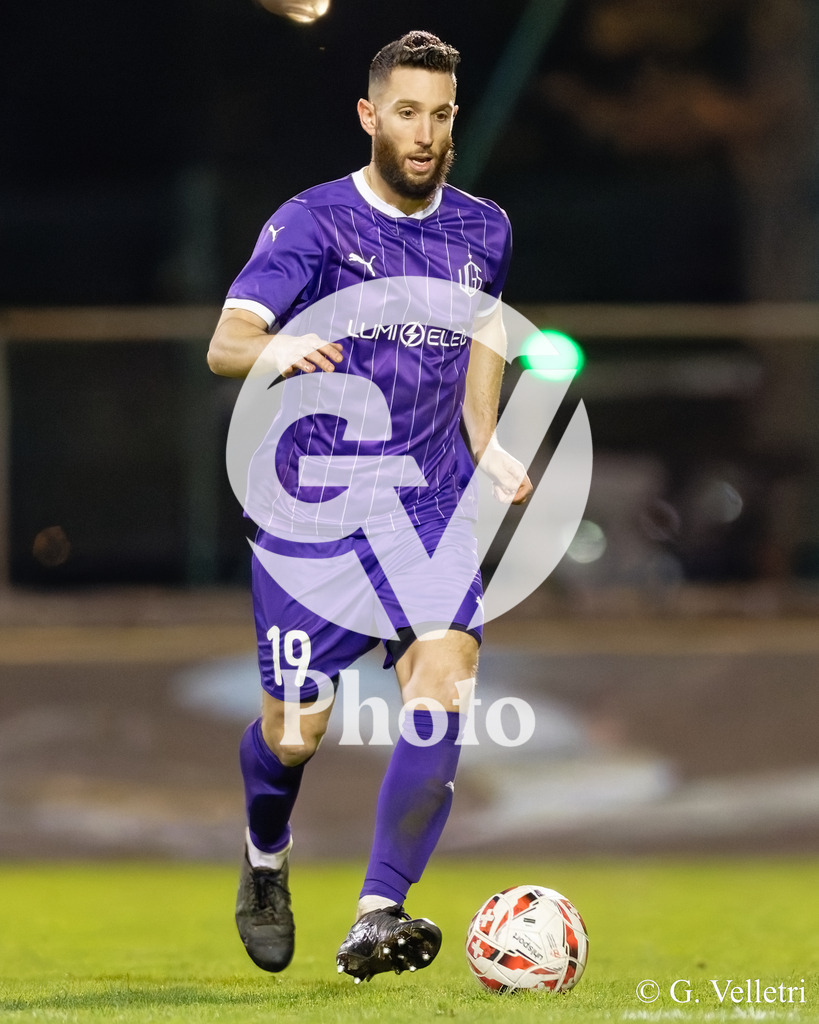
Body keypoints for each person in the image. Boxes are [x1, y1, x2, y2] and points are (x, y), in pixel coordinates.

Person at [207, 30, 532, 983]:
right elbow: (226, 341)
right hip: (313, 522)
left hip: (425, 513)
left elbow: (481, 330)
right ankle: (267, 855)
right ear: (369, 116)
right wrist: (269, 352)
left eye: (439, 114)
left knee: (444, 678)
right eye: (405, 112)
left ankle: (378, 910)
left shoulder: (486, 230)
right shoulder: (312, 223)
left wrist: (483, 436)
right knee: (293, 734)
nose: (424, 132)